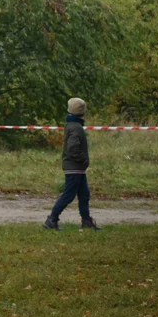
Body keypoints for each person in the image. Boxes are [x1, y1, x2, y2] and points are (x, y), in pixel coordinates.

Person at [44, 97, 102, 231]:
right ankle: (51, 219)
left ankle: (86, 221)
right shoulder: (76, 128)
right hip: (74, 167)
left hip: (77, 168)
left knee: (84, 194)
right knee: (68, 195)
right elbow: (72, 149)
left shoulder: (71, 125)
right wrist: (83, 160)